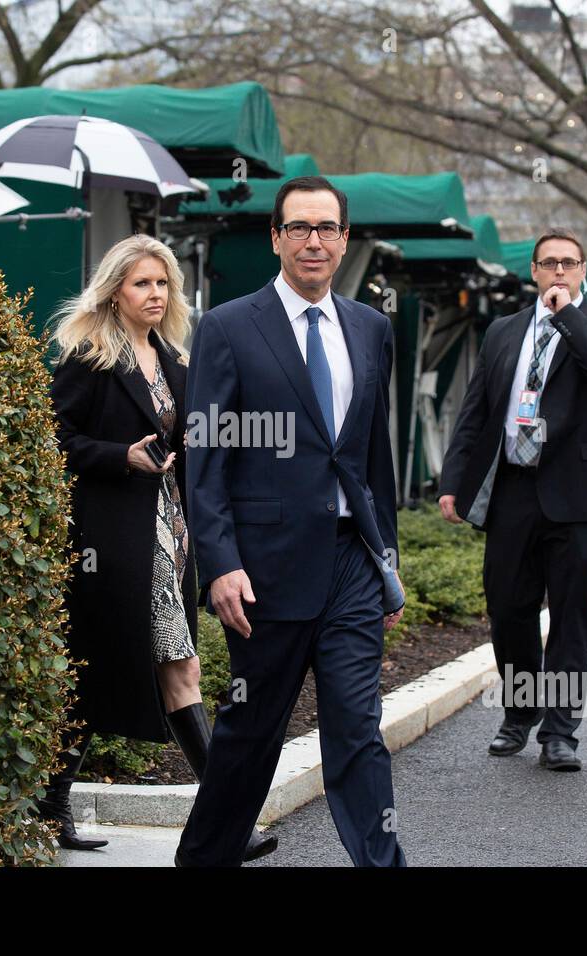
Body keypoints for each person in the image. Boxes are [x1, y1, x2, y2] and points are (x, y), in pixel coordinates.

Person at [175, 176, 407, 867]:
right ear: (276, 238)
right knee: (250, 734)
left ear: (343, 238)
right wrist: (219, 563)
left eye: (327, 228)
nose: (314, 241)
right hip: (263, 570)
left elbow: (374, 457)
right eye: (299, 228)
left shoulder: (371, 328)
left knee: (358, 729)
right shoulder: (228, 326)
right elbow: (204, 456)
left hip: (351, 566)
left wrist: (386, 559)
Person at [44, 234, 276, 860]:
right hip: (112, 542)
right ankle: (225, 820)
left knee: (94, 675)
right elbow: (53, 439)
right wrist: (119, 456)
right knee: (179, 668)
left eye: (163, 283)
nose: (155, 293)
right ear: (115, 290)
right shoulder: (89, 358)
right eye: (142, 283)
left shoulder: (175, 358)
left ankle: (50, 805)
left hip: (170, 536)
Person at [437, 227, 587, 771]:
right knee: (509, 611)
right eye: (548, 263)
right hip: (512, 489)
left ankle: (561, 732)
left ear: (583, 273)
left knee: (571, 615)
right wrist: (454, 479)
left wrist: (567, 315)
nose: (557, 272)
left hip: (578, 496)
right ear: (532, 270)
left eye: (568, 264)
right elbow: (476, 410)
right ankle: (520, 713)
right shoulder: (503, 331)